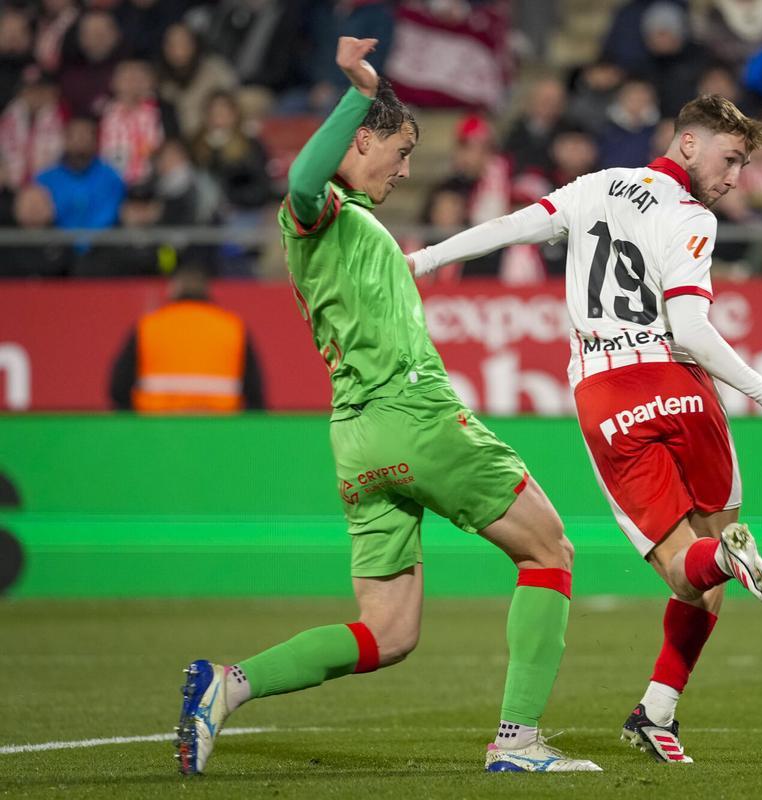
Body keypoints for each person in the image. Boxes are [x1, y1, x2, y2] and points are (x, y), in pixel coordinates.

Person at [172, 37, 600, 777]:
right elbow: (304, 174)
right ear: (360, 138)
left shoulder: (350, 225)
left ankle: (228, 686)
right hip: (412, 415)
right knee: (550, 551)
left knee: (389, 632)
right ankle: (519, 740)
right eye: (398, 152)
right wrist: (357, 89)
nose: (404, 172)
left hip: (357, 439)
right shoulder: (322, 210)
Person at [409, 93, 762, 763]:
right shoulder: (690, 217)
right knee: (706, 573)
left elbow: (513, 225)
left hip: (606, 390)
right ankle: (660, 705)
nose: (735, 178)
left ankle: (718, 575)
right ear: (687, 146)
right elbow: (688, 328)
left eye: (743, 164)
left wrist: (425, 261)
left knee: (687, 572)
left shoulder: (593, 187)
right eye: (731, 159)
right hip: (681, 384)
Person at [109, 266, 265, 408]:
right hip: (218, 428)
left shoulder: (148, 326)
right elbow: (254, 392)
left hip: (157, 428)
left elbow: (119, 388)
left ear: (173, 290)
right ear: (207, 291)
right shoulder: (232, 327)